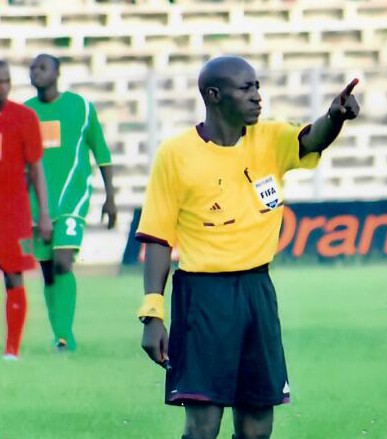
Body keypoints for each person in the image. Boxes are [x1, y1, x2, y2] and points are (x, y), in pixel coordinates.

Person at [136, 55, 359, 439]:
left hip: (258, 291)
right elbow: (158, 237)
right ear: (214, 95)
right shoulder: (175, 155)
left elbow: (312, 138)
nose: (257, 96)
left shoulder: (270, 138)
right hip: (203, 296)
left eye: (257, 86)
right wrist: (152, 312)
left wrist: (335, 117)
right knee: (203, 424)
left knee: (258, 424)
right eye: (246, 88)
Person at [25, 53, 117, 352]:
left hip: (72, 201)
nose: (36, 73)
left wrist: (110, 198)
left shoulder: (80, 107)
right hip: (36, 205)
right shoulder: (26, 113)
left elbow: (101, 151)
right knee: (49, 270)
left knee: (63, 262)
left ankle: (65, 335)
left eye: (43, 67)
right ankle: (60, 334)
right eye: (33, 68)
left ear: (57, 73)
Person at [0, 59, 52, 360]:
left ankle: (12, 349)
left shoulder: (24, 117)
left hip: (13, 212)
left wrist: (43, 213)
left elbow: (36, 168)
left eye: (6, 80)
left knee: (14, 275)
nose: (3, 86)